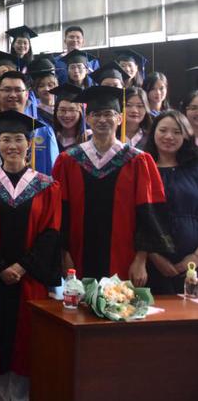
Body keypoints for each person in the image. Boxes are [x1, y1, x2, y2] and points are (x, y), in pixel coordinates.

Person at [0, 110, 62, 401]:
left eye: (18, 139)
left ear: (29, 144)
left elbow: (51, 233)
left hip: (30, 282)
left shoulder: (47, 186)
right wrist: (0, 267)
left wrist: (22, 267)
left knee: (28, 342)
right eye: (6, 140)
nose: (12, 145)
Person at [52, 86, 175, 284]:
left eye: (109, 114)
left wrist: (140, 260)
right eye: (96, 114)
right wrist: (63, 253)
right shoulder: (68, 161)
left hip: (125, 258)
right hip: (78, 257)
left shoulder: (138, 161)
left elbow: (148, 213)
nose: (102, 120)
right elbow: (60, 211)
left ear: (119, 118)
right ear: (88, 119)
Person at [144, 110, 198, 294]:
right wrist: (154, 257)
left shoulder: (195, 168)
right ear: (153, 133)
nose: (169, 136)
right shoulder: (142, 167)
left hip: (193, 263)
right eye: (163, 130)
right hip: (152, 263)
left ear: (186, 135)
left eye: (176, 132)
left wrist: (195, 257)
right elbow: (135, 217)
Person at [0, 72, 59, 173]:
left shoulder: (43, 131)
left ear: (26, 95)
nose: (13, 95)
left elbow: (54, 171)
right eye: (7, 90)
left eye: (18, 90)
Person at [50, 84, 88, 153]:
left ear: (80, 112)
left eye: (72, 110)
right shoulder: (50, 138)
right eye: (62, 110)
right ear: (56, 112)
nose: (67, 115)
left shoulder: (90, 139)